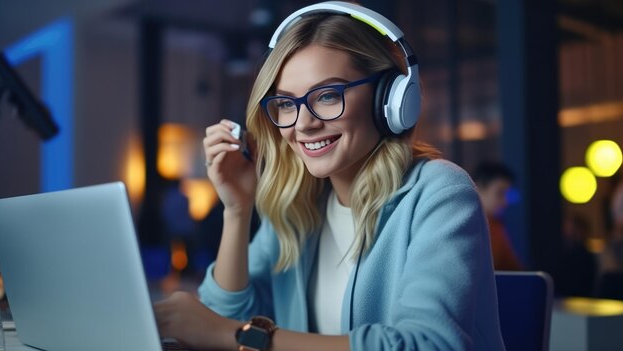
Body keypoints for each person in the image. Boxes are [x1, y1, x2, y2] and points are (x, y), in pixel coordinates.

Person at [154, 2, 506, 350]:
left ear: (390, 98)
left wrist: (230, 335)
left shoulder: (439, 194)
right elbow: (221, 319)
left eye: (327, 95)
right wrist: (237, 210)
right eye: (287, 104)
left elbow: (428, 345)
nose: (304, 124)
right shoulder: (298, 207)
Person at [472, 161, 523, 271]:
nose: (505, 202)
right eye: (500, 193)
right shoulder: (466, 226)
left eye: (507, 194)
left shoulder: (496, 227)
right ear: (478, 188)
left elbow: (515, 271)